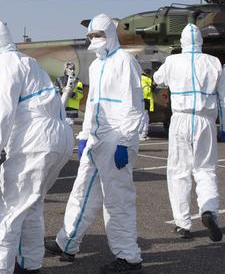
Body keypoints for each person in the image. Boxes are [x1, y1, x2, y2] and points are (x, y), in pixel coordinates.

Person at [0, 20, 72, 274]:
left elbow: (2, 115)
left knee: (7, 213)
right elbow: (16, 116)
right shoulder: (28, 63)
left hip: (34, 142)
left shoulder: (5, 65)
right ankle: (31, 264)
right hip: (57, 140)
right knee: (31, 206)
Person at [45, 14, 145, 274]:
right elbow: (92, 104)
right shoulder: (96, 65)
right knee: (82, 191)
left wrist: (124, 141)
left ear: (110, 34)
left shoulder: (125, 62)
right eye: (91, 36)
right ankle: (67, 242)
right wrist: (85, 135)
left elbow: (133, 106)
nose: (94, 40)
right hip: (97, 138)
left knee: (117, 199)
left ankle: (129, 257)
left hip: (116, 138)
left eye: (98, 35)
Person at [153, 24, 225, 242]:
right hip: (205, 121)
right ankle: (209, 211)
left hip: (179, 119)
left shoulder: (172, 61)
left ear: (182, 42)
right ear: (201, 42)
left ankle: (182, 224)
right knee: (205, 169)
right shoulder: (213, 62)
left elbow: (157, 79)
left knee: (179, 171)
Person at [139, 70, 155, 141]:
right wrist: (152, 87)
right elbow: (146, 92)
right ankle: (140, 134)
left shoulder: (143, 79)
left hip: (145, 100)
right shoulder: (144, 80)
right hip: (145, 100)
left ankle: (144, 134)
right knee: (143, 118)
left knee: (145, 118)